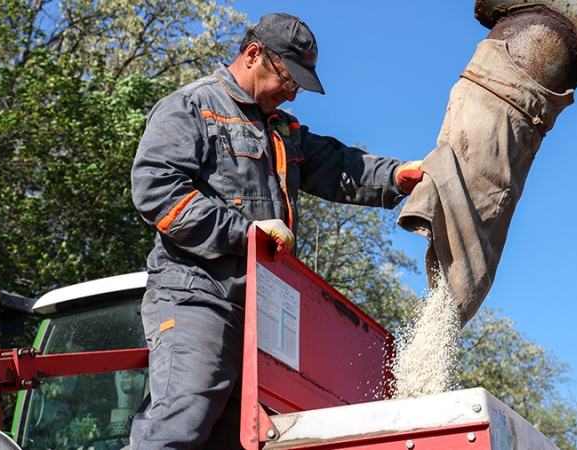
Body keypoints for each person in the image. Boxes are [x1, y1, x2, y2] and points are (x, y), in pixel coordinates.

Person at [129, 13, 423, 449]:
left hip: (260, 310)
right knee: (179, 422)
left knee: (245, 440)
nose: (293, 94)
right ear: (253, 55)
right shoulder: (191, 107)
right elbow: (158, 193)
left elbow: (341, 164)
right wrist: (247, 233)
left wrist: (399, 176)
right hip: (198, 297)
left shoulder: (281, 131)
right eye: (289, 80)